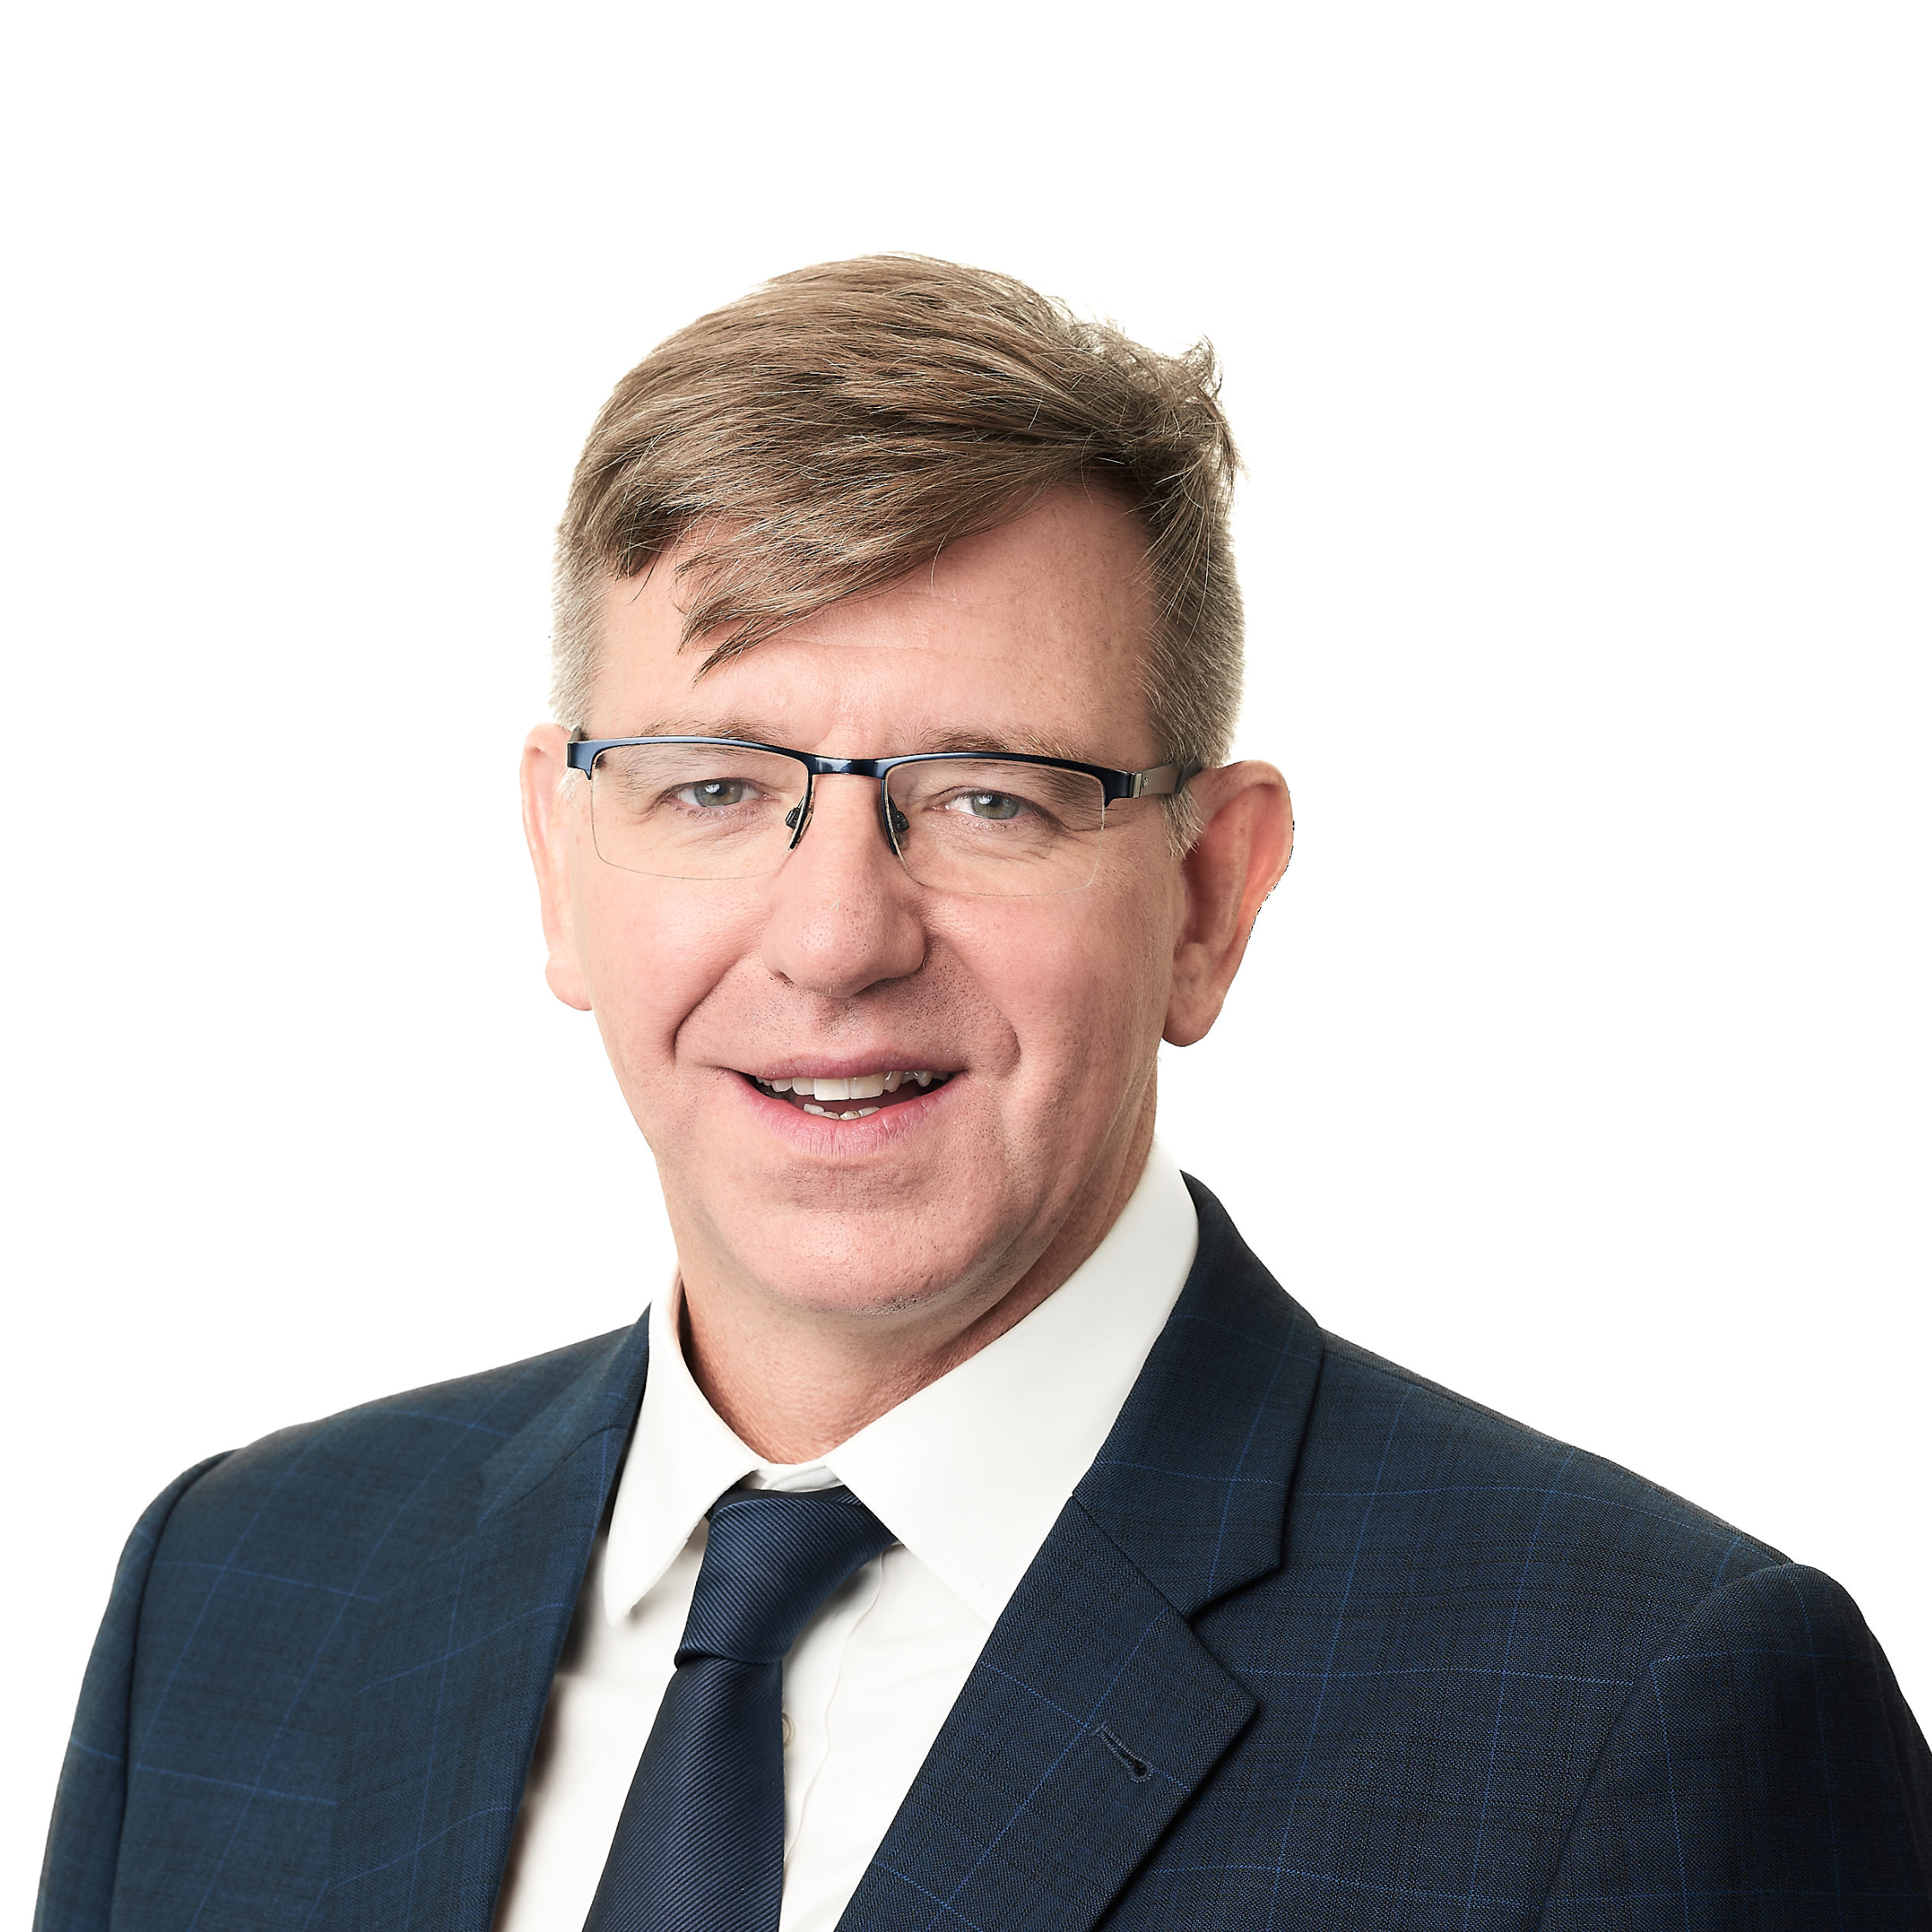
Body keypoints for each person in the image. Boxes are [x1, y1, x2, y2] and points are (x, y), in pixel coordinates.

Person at [36, 255, 1931, 1932]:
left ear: (1209, 897)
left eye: (988, 798)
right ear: (559, 857)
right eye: (713, 785)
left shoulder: (1641, 1709)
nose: (834, 937)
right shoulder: (238, 1592)